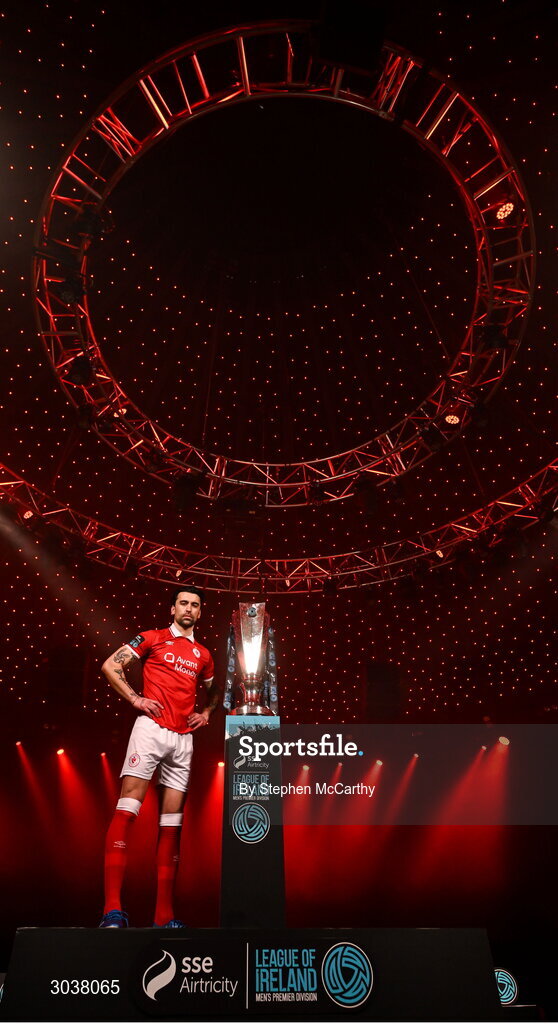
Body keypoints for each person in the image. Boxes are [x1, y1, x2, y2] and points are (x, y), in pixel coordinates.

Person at [99, 586, 219, 928]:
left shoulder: (204, 655)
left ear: (200, 613)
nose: (189, 608)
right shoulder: (150, 638)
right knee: (129, 808)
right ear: (172, 608)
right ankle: (112, 911)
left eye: (195, 605)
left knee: (172, 825)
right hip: (150, 730)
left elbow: (214, 692)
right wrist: (136, 700)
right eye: (184, 602)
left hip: (184, 740)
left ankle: (164, 917)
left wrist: (207, 713)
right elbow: (110, 666)